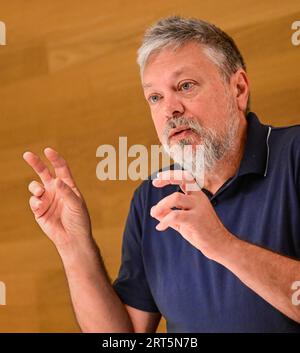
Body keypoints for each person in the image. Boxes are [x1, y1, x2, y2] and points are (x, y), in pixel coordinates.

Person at [23, 16, 300, 333]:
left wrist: (223, 245)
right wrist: (73, 246)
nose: (170, 109)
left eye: (185, 86)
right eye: (155, 97)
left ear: (238, 88)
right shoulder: (152, 197)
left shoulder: (294, 156)